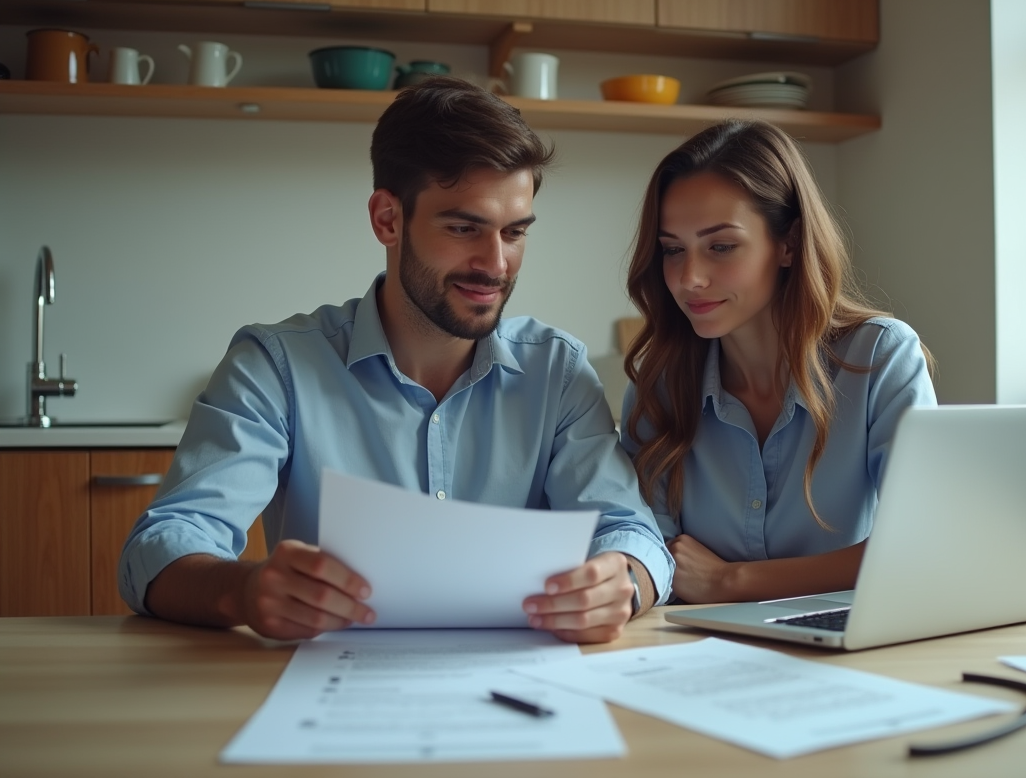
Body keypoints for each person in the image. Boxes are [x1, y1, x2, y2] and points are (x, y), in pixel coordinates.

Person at [119, 76, 672, 644]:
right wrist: (242, 590)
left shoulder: (557, 372)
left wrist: (623, 582)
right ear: (388, 219)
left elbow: (632, 533)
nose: (496, 264)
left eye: (514, 233)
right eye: (464, 228)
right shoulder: (275, 367)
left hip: (522, 683)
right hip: (329, 683)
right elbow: (160, 547)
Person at [620, 119, 935, 604]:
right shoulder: (656, 385)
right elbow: (651, 556)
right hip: (695, 641)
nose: (689, 278)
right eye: (673, 250)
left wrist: (731, 581)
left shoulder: (880, 358)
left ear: (788, 244)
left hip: (846, 637)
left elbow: (921, 545)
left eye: (721, 246)